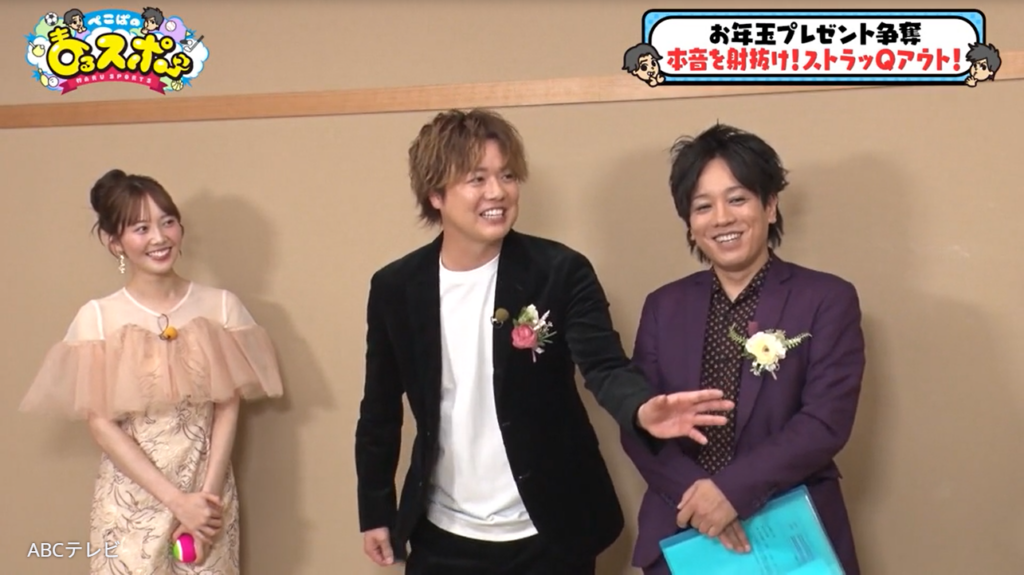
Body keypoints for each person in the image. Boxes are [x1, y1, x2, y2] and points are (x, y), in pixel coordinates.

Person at [354, 108, 736, 575]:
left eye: (507, 176)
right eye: (477, 179)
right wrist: (375, 509)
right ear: (435, 194)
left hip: (551, 530)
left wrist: (640, 408)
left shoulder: (559, 271)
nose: (498, 192)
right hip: (442, 533)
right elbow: (378, 410)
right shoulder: (396, 287)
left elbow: (604, 366)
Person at [619, 123, 865, 575]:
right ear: (690, 223)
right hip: (684, 528)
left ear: (769, 205)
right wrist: (702, 499)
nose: (721, 218)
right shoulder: (663, 306)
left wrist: (731, 492)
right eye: (703, 206)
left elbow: (825, 421)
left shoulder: (826, 298)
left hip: (790, 533)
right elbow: (641, 423)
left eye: (737, 199)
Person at [19, 169, 284, 574]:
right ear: (115, 242)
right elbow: (101, 423)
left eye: (167, 222)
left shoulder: (221, 306)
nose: (159, 238)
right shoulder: (98, 318)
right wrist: (175, 501)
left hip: (207, 500)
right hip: (131, 503)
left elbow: (228, 407)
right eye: (141, 228)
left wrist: (205, 500)